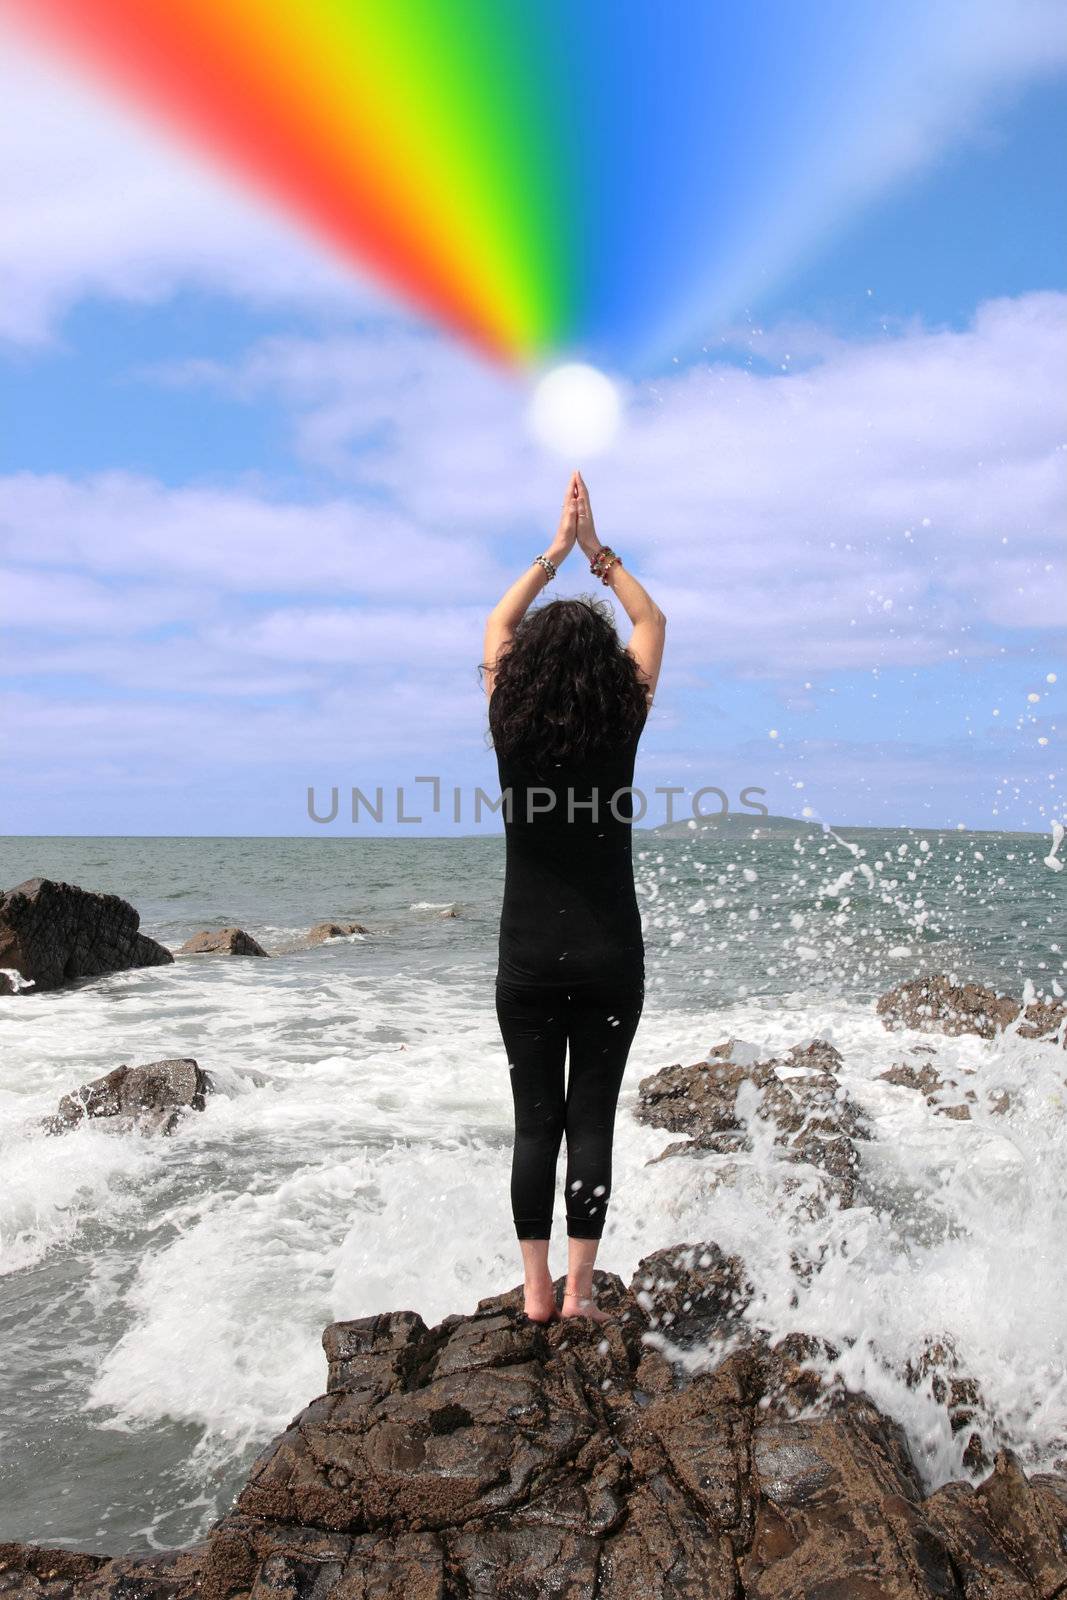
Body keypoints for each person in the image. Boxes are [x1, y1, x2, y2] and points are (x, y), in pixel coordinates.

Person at [481, 470, 666, 1324]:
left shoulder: (507, 723)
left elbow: (498, 624)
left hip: (525, 955)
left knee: (534, 1125)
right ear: (602, 673)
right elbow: (649, 621)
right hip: (609, 955)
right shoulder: (622, 717)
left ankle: (534, 1292)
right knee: (590, 1117)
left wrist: (552, 553)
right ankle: (585, 1291)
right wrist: (599, 553)